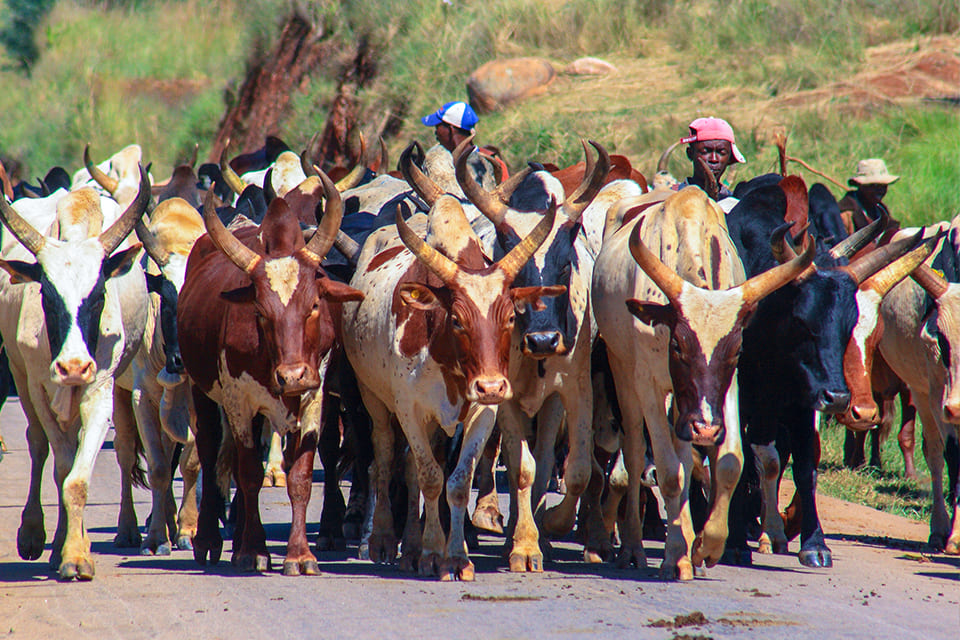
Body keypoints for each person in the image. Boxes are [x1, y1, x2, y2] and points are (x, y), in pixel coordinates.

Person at [420, 101, 506, 188]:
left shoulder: (494, 163)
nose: (435, 132)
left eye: (438, 126)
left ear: (451, 130)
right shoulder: (438, 162)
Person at [676, 116, 746, 202]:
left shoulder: (734, 205)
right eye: (705, 152)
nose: (714, 159)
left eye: (722, 153)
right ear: (690, 154)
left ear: (729, 158)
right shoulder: (671, 199)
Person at [838, 158, 899, 235]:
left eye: (883, 186)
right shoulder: (845, 214)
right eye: (874, 186)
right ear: (860, 185)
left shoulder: (880, 209)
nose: (880, 190)